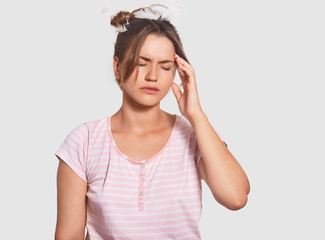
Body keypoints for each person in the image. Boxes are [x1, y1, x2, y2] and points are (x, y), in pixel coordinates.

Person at [54, 4, 250, 240]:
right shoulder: (83, 142)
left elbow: (236, 197)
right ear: (117, 67)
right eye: (141, 62)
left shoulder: (195, 134)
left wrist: (196, 115)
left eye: (165, 66)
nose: (153, 76)